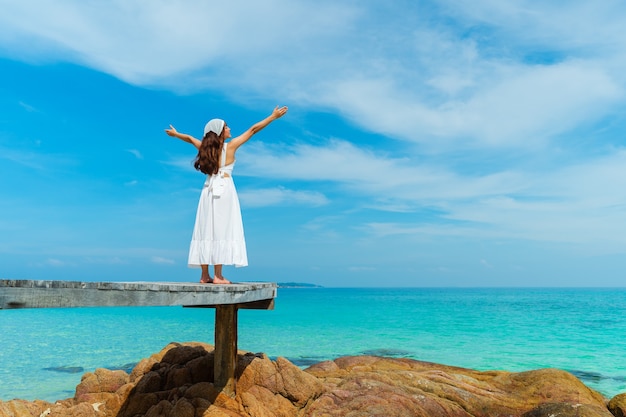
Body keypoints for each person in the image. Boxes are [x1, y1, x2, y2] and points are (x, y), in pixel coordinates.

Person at [165, 106, 288, 284]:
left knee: (206, 228)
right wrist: (272, 117)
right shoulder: (230, 147)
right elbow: (253, 130)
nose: (230, 129)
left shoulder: (206, 150)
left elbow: (191, 139)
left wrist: (176, 135)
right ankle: (218, 276)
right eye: (227, 127)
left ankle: (204, 275)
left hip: (208, 190)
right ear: (220, 132)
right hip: (224, 191)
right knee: (220, 229)